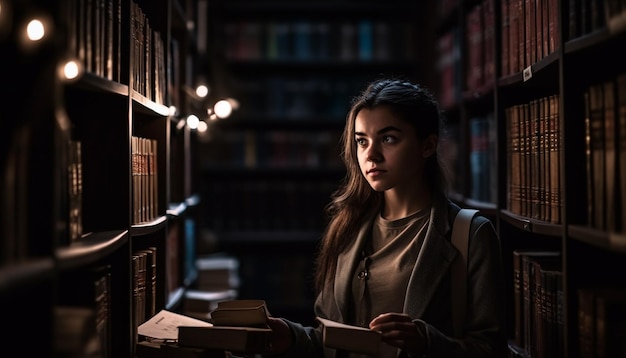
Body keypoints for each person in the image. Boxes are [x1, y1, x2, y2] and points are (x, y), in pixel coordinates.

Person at [264, 78, 507, 358]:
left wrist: (426, 342)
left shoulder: (470, 234)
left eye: (388, 138)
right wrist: (293, 337)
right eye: (361, 141)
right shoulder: (347, 227)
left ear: (427, 145)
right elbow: (330, 341)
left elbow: (490, 348)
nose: (371, 155)